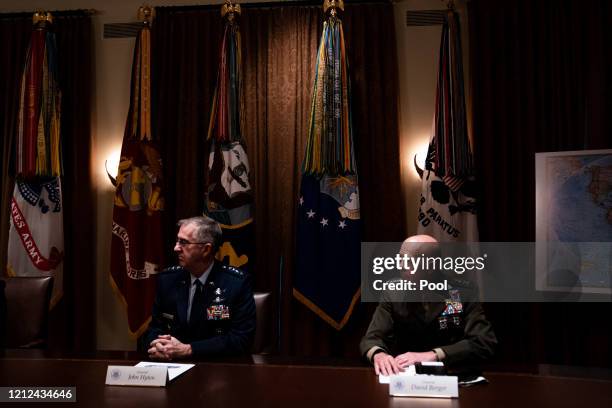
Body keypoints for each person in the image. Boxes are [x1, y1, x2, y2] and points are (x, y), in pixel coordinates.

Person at [360, 235, 497, 376]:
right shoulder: (393, 292)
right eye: (399, 259)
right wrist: (379, 354)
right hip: (405, 376)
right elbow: (372, 338)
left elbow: (483, 342)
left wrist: (434, 355)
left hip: (450, 375)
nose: (399, 266)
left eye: (407, 261)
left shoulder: (460, 293)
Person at [142, 216, 255, 360]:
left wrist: (189, 349)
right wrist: (158, 345)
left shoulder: (236, 283)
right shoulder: (168, 279)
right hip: (172, 365)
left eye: (183, 242)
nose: (176, 248)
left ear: (206, 249)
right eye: (177, 241)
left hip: (217, 370)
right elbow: (154, 328)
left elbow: (241, 340)